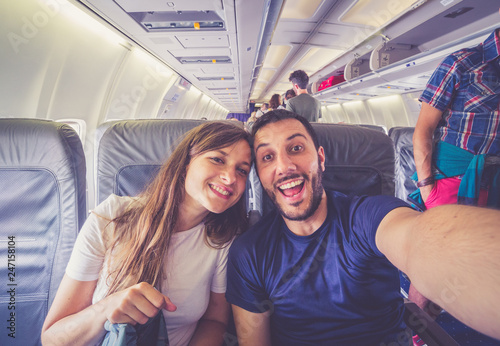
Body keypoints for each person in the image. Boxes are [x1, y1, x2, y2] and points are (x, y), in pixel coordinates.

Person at [226, 110, 500, 345]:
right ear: (258, 176)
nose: (284, 166)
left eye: (296, 148)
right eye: (267, 158)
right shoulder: (249, 252)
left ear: (320, 159)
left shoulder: (367, 217)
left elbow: (422, 238)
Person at [41, 122, 252, 346]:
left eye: (242, 170)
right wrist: (107, 308)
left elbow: (214, 320)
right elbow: (52, 339)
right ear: (186, 163)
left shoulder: (223, 240)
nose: (230, 178)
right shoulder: (111, 218)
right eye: (218, 159)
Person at [409, 21, 500, 340]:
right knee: (436, 255)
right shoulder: (462, 62)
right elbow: (423, 131)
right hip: (452, 173)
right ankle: (416, 332)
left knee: (481, 254)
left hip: (495, 175)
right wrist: (426, 186)